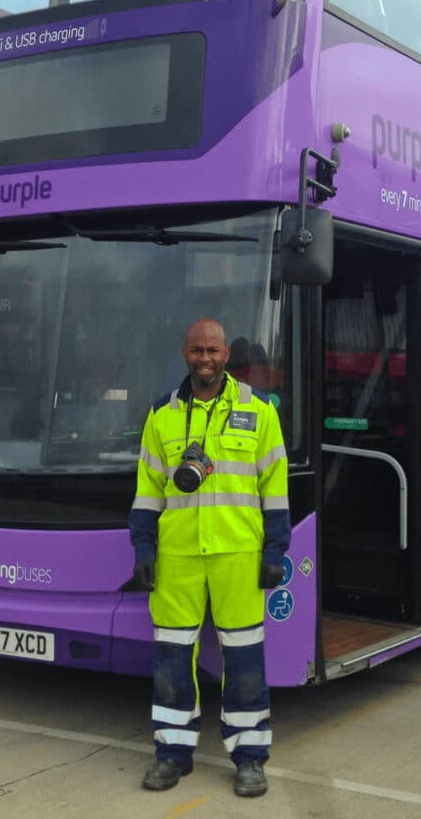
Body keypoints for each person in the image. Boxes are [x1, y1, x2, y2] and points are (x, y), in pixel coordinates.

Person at [128, 318, 290, 798]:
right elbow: (146, 491)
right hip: (177, 558)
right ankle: (172, 755)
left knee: (244, 659)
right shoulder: (162, 416)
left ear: (226, 355)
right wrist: (143, 548)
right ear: (185, 353)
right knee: (172, 658)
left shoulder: (258, 411)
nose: (205, 358)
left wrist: (275, 549)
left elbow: (274, 488)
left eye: (213, 350)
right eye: (197, 350)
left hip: (239, 556)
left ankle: (250, 759)